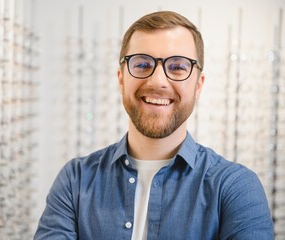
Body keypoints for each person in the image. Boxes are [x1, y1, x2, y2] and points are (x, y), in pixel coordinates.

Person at [34, 11, 274, 240]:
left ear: (198, 86)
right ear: (121, 79)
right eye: (141, 65)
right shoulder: (76, 180)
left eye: (178, 67)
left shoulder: (236, 188)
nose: (158, 81)